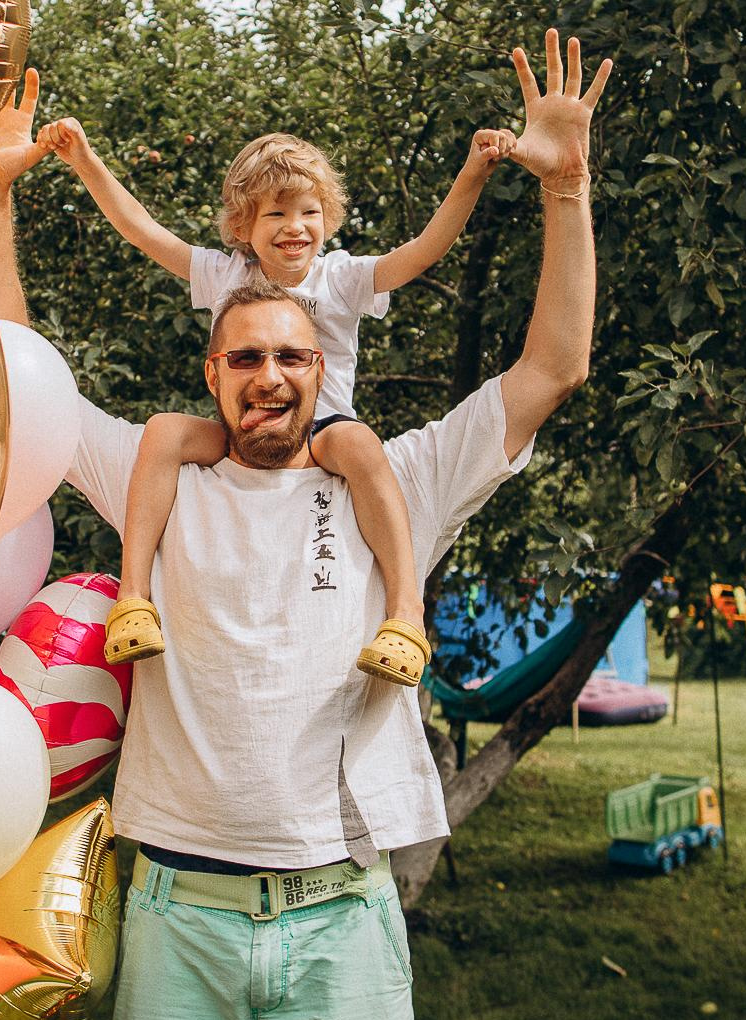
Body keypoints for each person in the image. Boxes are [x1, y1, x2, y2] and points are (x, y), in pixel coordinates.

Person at [0, 30, 609, 1020]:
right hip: (176, 919)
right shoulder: (153, 479)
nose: (270, 375)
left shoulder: (393, 480)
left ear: (327, 369)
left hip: (343, 916)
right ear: (210, 372)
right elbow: (15, 372)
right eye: (246, 357)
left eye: (294, 357)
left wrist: (566, 192)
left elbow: (549, 368)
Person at [35, 117, 515, 686]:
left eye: (309, 212)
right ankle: (135, 598)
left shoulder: (341, 279)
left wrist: (471, 175)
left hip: (322, 427)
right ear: (244, 225)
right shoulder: (227, 273)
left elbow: (425, 250)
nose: (295, 227)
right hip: (243, 426)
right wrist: (86, 161)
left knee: (360, 444)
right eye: (277, 214)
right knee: (163, 430)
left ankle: (406, 613)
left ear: (327, 218)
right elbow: (143, 232)